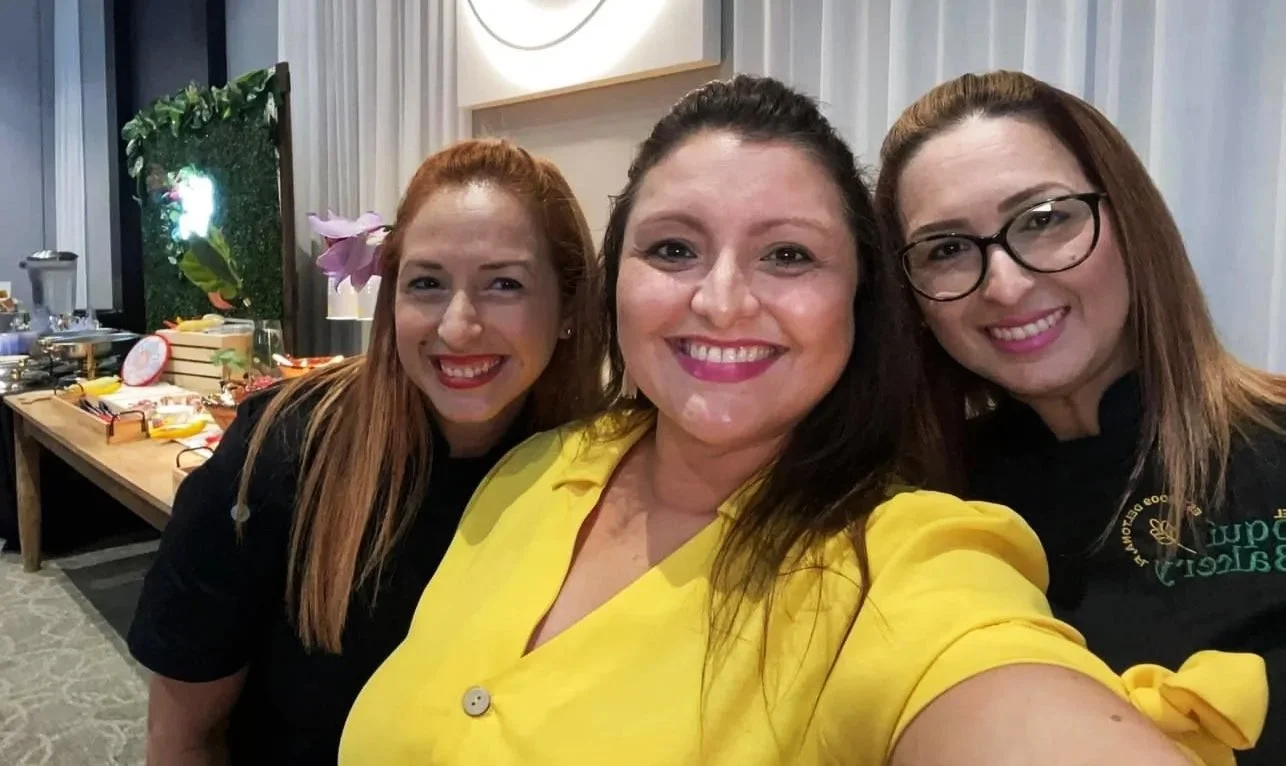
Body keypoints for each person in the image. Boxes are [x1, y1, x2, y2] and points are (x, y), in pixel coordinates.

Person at [337, 75, 1256, 765]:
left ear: (863, 302)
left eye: (787, 254)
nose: (723, 300)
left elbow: (989, 680)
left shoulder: (896, 559)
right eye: (672, 248)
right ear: (614, 280)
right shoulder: (533, 466)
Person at [127, 138, 608, 764]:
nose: (458, 328)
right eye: (427, 283)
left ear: (568, 305)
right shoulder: (281, 454)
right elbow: (182, 735)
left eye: (505, 285)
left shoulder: (611, 475)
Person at [874, 69, 1281, 764]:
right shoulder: (913, 512)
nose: (1004, 285)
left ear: (1128, 220)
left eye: (1043, 220)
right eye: (945, 249)